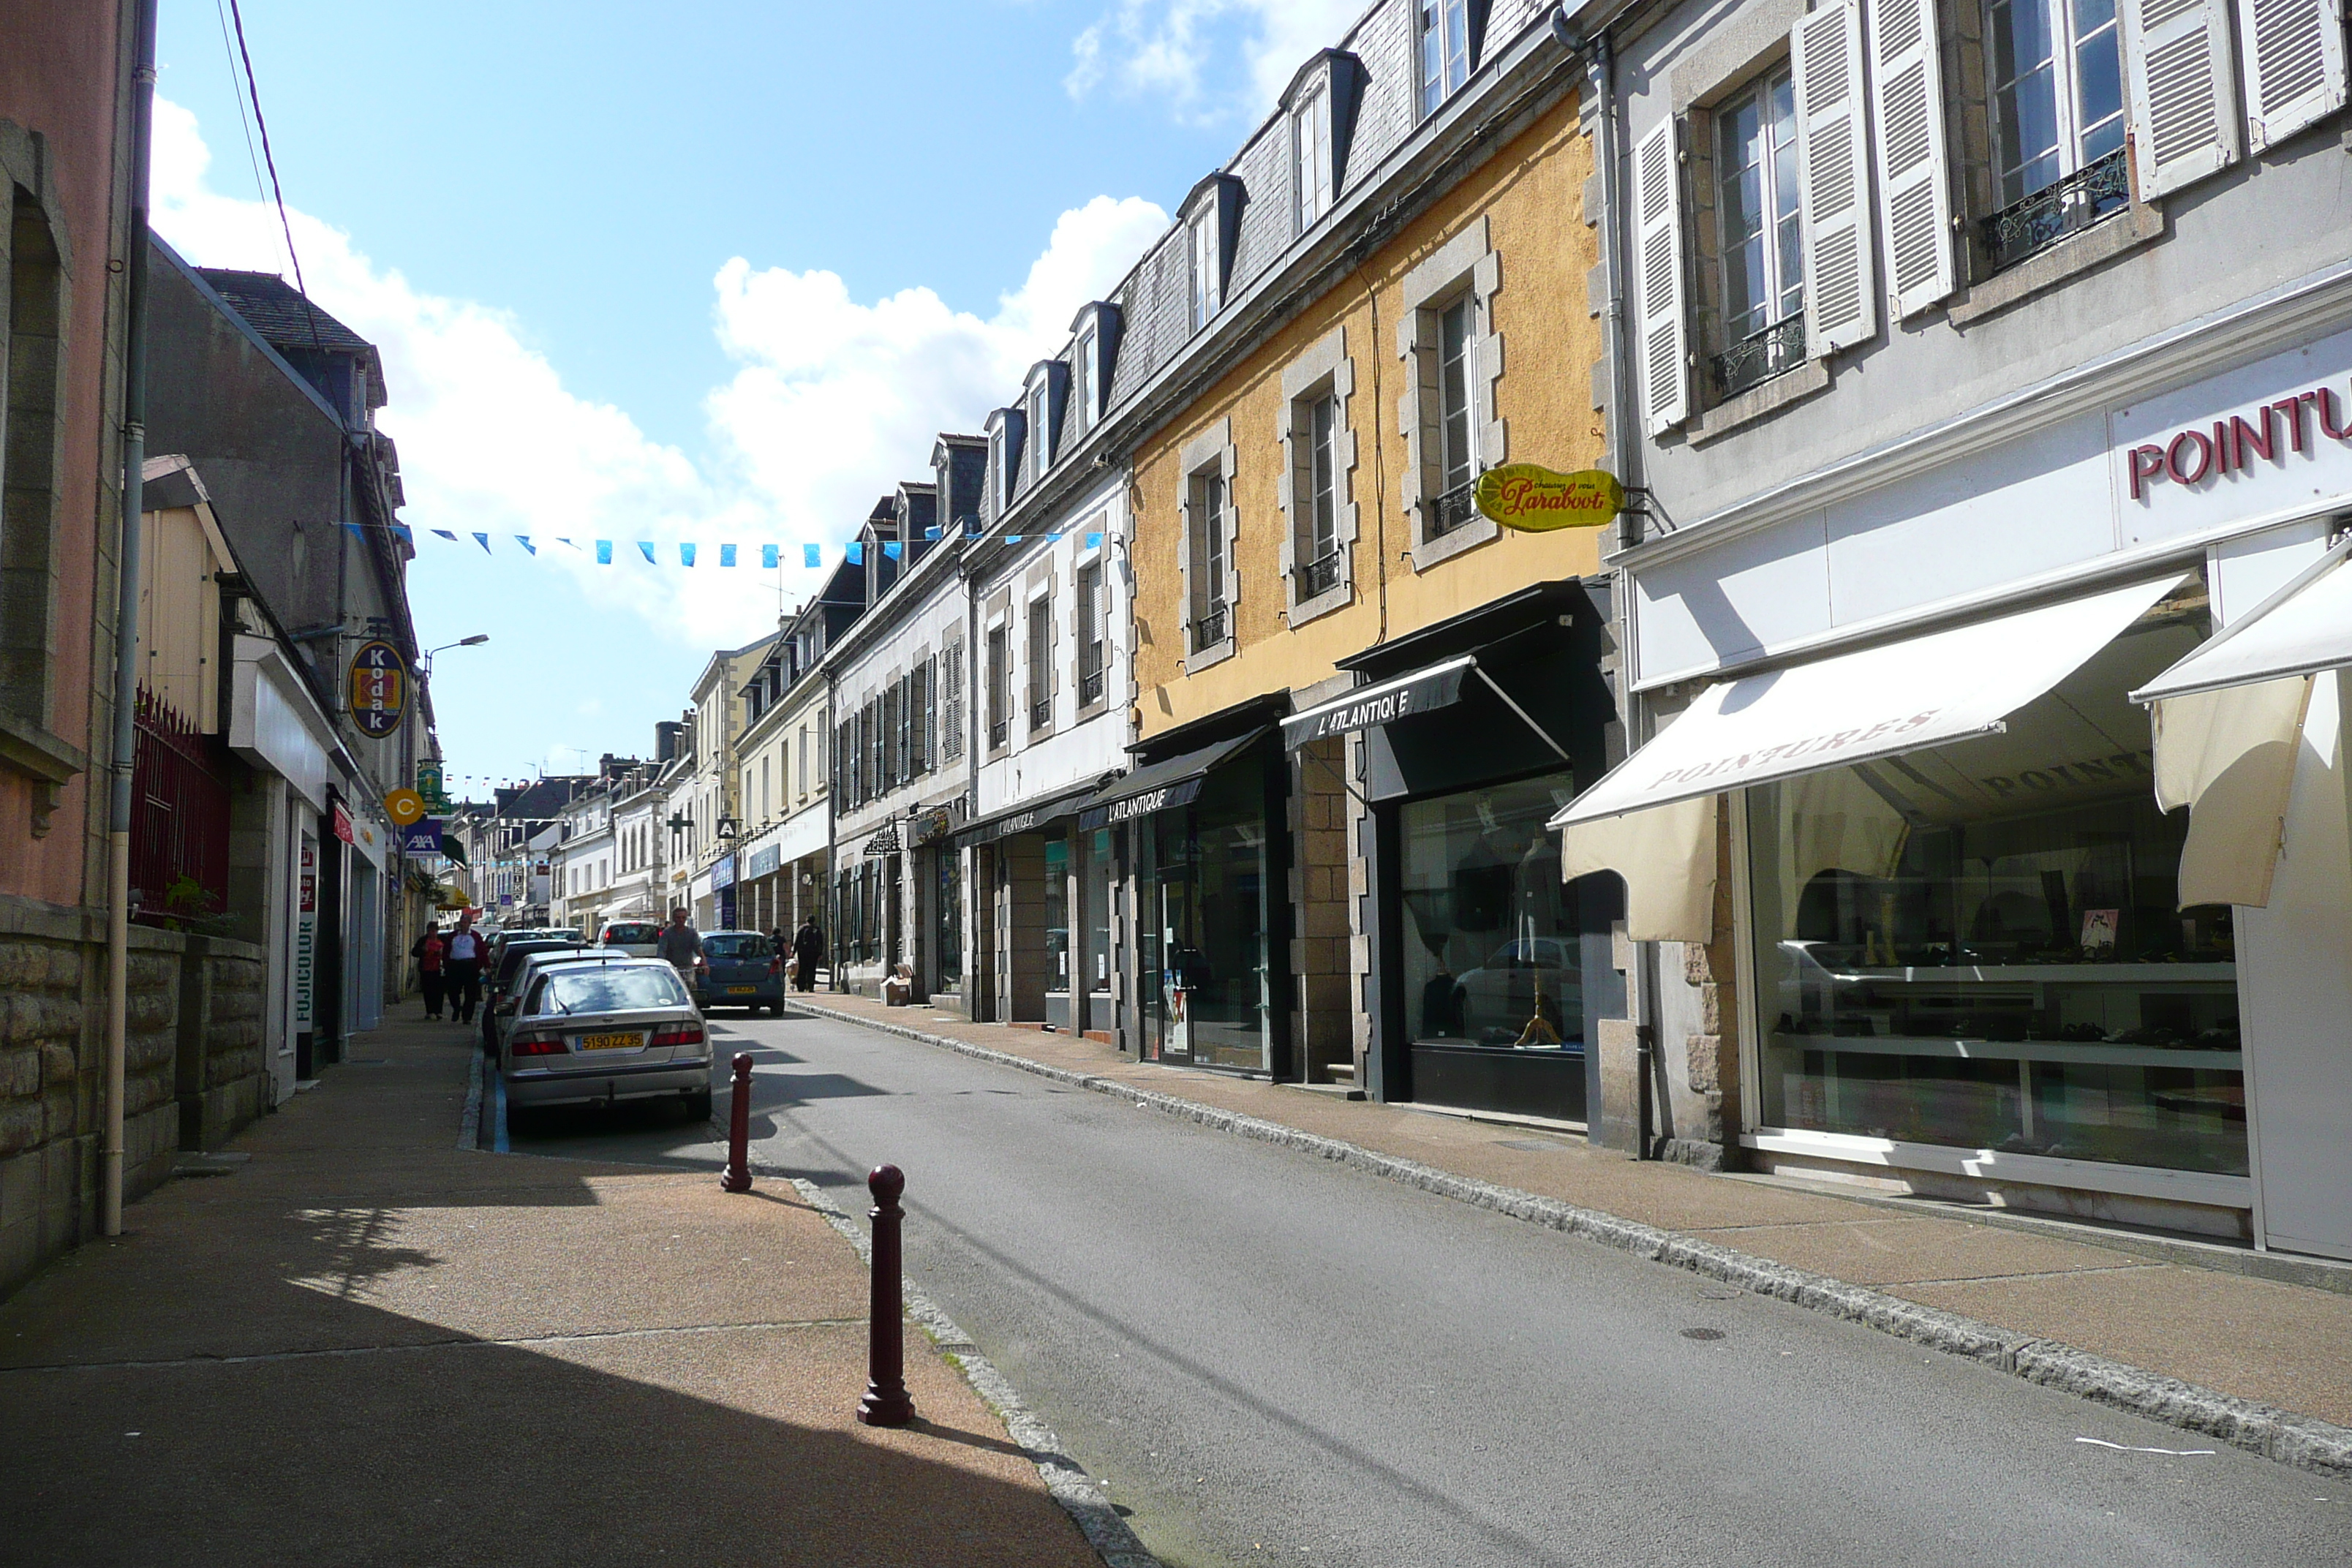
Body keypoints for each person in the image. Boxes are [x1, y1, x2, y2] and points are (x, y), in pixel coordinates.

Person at [444, 914, 485, 1025]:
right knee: (453, 991)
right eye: (461, 923)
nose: (463, 925)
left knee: (470, 993)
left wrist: (486, 966)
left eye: (465, 923)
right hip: (454, 966)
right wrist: (446, 964)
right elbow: (446, 950)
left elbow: (482, 951)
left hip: (470, 966)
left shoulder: (475, 936)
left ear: (469, 924)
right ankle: (457, 1008)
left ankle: (467, 1017)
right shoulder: (452, 936)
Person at [412, 921, 448, 1021]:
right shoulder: (423, 940)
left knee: (439, 991)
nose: (431, 933)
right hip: (426, 968)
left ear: (437, 931)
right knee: (428, 990)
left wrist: (442, 953)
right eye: (429, 931)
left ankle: (439, 1011)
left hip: (439, 968)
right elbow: (414, 952)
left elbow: (449, 951)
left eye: (433, 931)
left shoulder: (442, 940)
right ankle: (430, 1011)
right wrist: (423, 950)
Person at [657, 907, 704, 983]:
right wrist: (662, 965)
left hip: (688, 967)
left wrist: (705, 964)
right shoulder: (667, 933)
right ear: (674, 919)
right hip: (671, 967)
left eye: (683, 917)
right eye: (678, 918)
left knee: (691, 983)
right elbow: (662, 950)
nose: (681, 920)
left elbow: (698, 949)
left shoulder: (692, 933)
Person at [791, 917, 826, 993]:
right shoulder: (817, 929)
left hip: (803, 952)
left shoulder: (802, 929)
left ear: (806, 920)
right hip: (814, 952)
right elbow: (821, 942)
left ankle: (801, 987)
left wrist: (794, 952)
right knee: (812, 970)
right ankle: (810, 987)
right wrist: (820, 953)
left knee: (802, 969)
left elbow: (797, 941)